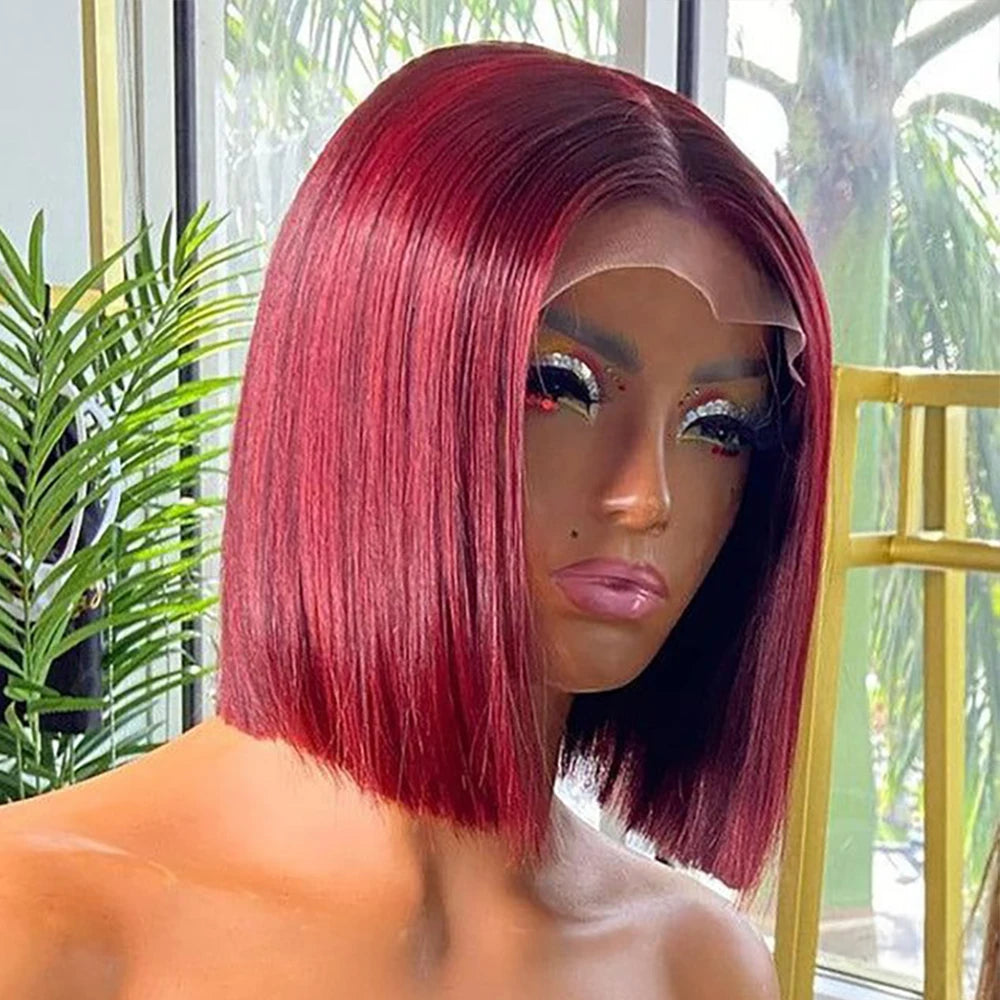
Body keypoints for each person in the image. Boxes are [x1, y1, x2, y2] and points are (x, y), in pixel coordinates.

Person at [0, 40, 832, 998]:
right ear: (366, 392)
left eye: (720, 426)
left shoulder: (695, 965)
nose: (647, 498)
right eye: (558, 385)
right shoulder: (45, 930)